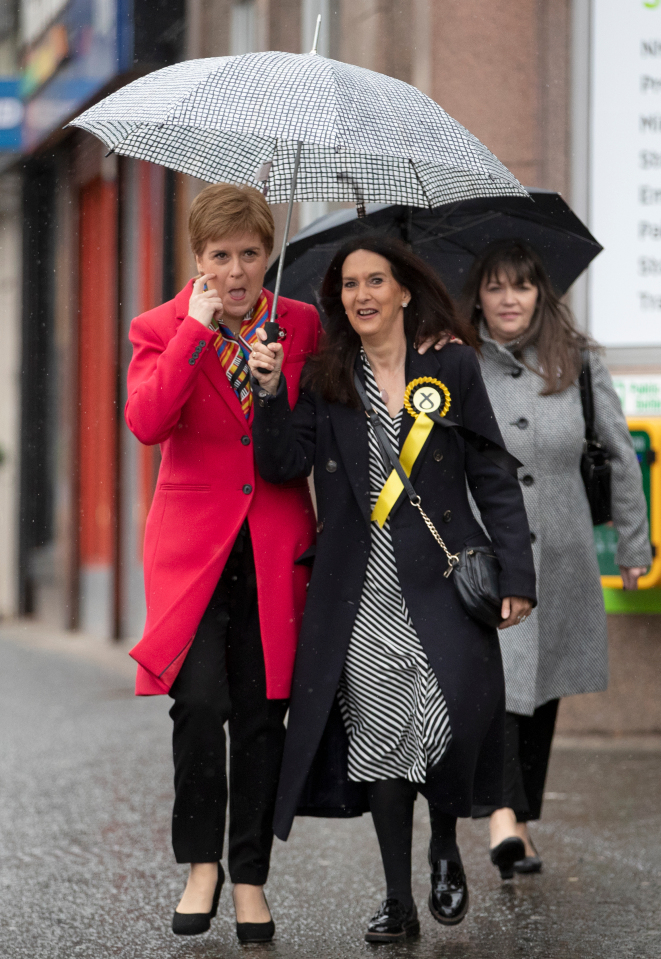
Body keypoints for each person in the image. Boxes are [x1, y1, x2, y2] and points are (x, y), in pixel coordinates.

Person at [247, 234, 537, 943]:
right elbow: (285, 462)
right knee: (380, 738)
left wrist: (515, 573)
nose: (363, 295)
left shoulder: (451, 363)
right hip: (359, 584)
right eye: (349, 285)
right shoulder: (324, 374)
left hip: (441, 575)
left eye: (376, 280)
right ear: (338, 299)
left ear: (404, 290)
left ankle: (443, 842)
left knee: (448, 719)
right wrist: (265, 388)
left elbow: (490, 472)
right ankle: (396, 896)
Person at [124, 183, 322, 941]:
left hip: (273, 544)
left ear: (268, 253)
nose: (237, 271)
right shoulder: (161, 325)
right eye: (220, 256)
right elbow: (147, 421)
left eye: (249, 254)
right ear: (197, 259)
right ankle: (198, 861)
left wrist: (276, 387)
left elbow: (306, 433)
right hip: (191, 553)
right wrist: (194, 335)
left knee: (262, 714)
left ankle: (248, 878)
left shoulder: (299, 325)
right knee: (200, 703)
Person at [460, 239, 651, 877]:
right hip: (492, 550)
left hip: (564, 551)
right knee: (503, 683)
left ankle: (521, 819)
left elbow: (619, 454)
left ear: (542, 292)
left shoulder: (579, 360)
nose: (508, 299)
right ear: (478, 295)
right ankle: (503, 819)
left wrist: (633, 544)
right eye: (494, 286)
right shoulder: (456, 360)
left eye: (521, 285)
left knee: (541, 692)